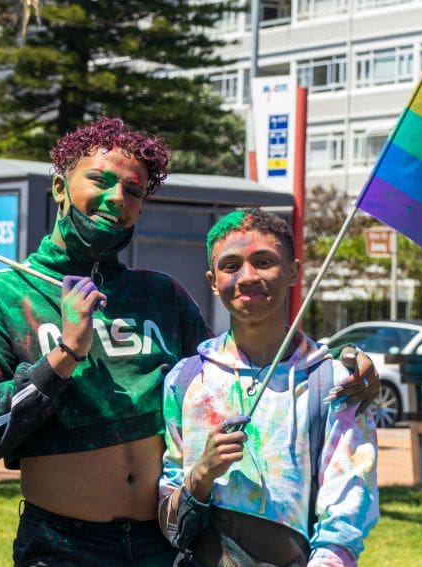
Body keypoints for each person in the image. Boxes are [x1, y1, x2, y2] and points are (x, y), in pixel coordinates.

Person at [0, 118, 379, 566]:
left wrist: (340, 362)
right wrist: (65, 354)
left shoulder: (160, 295)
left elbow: (232, 370)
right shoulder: (0, 295)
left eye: (133, 191)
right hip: (63, 547)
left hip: (165, 545)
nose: (117, 198)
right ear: (60, 187)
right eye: (100, 180)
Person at [158, 209, 379, 566]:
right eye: (231, 266)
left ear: (293, 272)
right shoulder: (185, 381)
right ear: (213, 281)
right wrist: (200, 476)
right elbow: (169, 521)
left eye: (263, 262)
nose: (247, 277)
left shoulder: (336, 382)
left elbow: (346, 512)